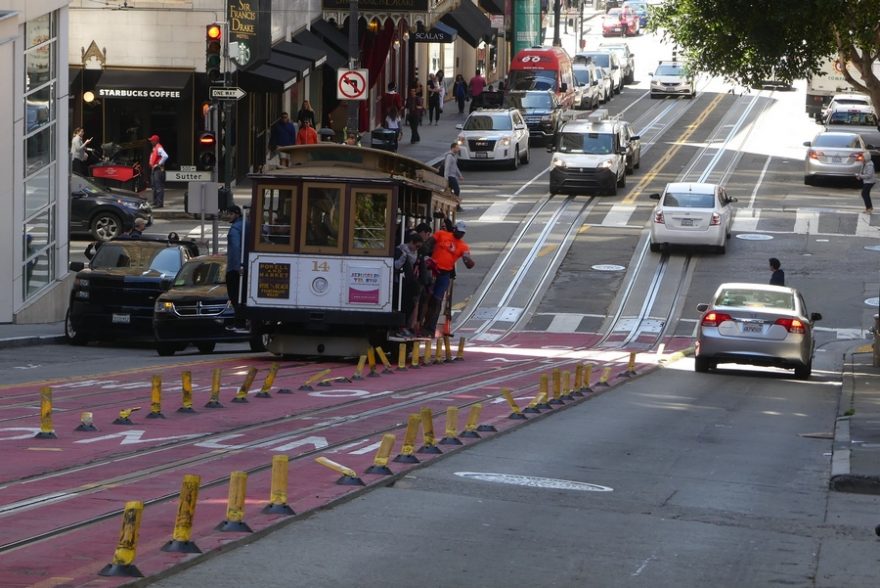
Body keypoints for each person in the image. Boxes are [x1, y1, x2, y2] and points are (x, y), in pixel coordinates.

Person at [423, 220, 475, 337]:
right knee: (426, 297)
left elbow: (468, 263)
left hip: (445, 273)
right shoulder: (441, 234)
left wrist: (469, 261)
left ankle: (430, 328)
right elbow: (428, 244)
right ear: (454, 229)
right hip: (432, 269)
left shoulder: (463, 246)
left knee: (437, 300)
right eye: (459, 232)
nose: (460, 234)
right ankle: (421, 324)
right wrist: (425, 257)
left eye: (463, 233)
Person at [394, 231, 425, 337]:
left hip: (409, 282)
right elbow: (396, 266)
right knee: (402, 304)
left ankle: (405, 326)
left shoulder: (416, 253)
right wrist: (404, 257)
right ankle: (400, 327)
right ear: (411, 242)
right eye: (416, 246)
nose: (416, 249)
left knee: (410, 304)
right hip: (401, 281)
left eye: (419, 247)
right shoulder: (401, 250)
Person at [225, 205, 247, 331]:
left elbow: (235, 248)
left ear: (237, 214)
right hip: (246, 266)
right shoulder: (247, 225)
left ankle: (239, 322)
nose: (228, 216)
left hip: (235, 269)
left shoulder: (235, 229)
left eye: (230, 214)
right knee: (243, 296)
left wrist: (237, 266)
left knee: (235, 296)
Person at [148, 134, 168, 208]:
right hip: (155, 169)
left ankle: (159, 203)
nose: (151, 142)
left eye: (152, 140)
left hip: (158, 169)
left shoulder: (158, 147)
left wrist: (158, 164)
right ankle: (155, 202)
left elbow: (165, 156)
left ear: (155, 141)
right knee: (154, 186)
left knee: (158, 186)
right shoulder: (155, 147)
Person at [444, 142, 464, 212]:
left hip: (453, 176)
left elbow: (455, 167)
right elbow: (447, 167)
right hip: (450, 176)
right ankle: (457, 206)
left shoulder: (454, 156)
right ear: (453, 148)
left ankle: (450, 205)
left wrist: (460, 175)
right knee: (457, 190)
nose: (458, 149)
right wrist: (446, 178)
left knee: (449, 192)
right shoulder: (449, 156)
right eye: (457, 148)